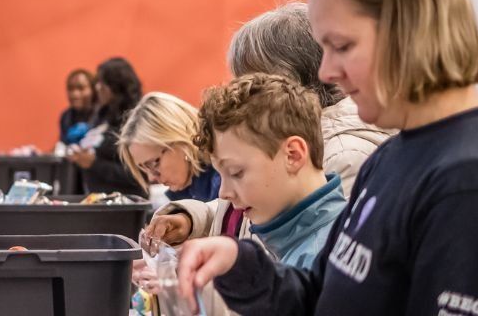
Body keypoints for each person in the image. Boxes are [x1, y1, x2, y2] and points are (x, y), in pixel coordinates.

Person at [178, 0, 478, 314]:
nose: (326, 72)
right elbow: (322, 295)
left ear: (408, 33)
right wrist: (240, 265)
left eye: (343, 46)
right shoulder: (394, 154)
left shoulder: (471, 179)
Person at [138, 75, 347, 315]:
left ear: (293, 155)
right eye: (221, 175)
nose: (224, 193)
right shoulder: (286, 237)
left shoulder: (327, 256)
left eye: (236, 173)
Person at [228, 1, 392, 195]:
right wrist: (194, 216)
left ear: (294, 78)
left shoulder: (343, 155)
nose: (243, 96)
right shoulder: (285, 135)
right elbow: (238, 209)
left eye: (254, 83)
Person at [118, 92, 219, 202]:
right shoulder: (184, 190)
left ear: (181, 140)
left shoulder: (223, 179)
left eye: (154, 163)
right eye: (143, 168)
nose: (151, 177)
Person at [67, 57, 147, 197]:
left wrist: (95, 164)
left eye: (102, 83)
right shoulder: (102, 115)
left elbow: (139, 176)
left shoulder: (135, 120)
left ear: (116, 87)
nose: (97, 87)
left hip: (126, 204)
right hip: (98, 200)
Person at [59, 68, 96, 145]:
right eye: (70, 89)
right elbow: (63, 145)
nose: (75, 94)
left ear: (93, 89)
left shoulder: (102, 115)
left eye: (81, 88)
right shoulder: (66, 116)